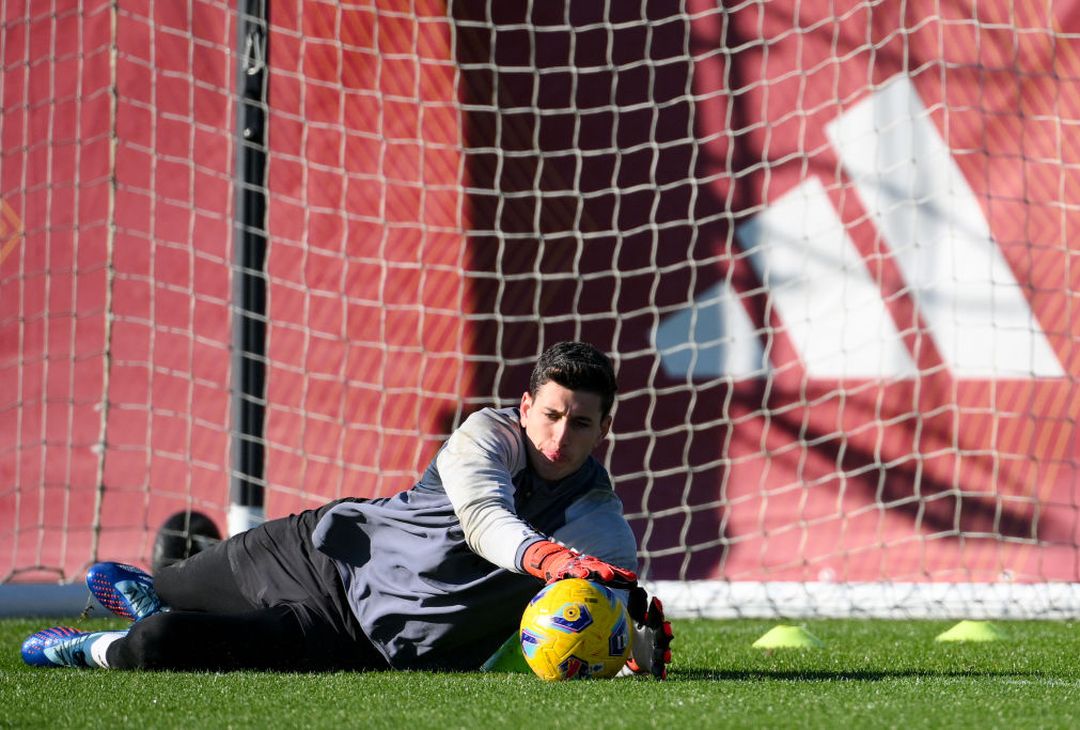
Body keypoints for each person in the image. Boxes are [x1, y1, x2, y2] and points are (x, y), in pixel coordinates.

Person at [22, 341, 673, 678]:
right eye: (552, 415)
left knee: (160, 644)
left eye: (581, 424)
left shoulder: (595, 515)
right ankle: (158, 589)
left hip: (350, 633)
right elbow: (484, 522)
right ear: (525, 406)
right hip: (317, 551)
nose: (561, 438)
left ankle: (85, 652)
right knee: (153, 588)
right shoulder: (485, 436)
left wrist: (634, 646)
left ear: (604, 429)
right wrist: (549, 559)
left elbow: (613, 608)